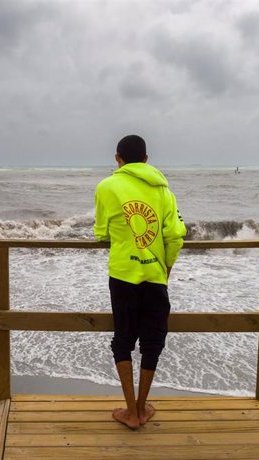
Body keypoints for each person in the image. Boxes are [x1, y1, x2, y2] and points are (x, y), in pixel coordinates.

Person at [94, 134, 186, 429]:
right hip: (155, 275)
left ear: (117, 158)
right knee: (153, 341)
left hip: (122, 274)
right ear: (146, 159)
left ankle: (131, 409)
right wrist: (165, 270)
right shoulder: (164, 191)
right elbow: (174, 236)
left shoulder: (107, 186)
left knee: (122, 340)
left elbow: (101, 233)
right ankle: (142, 407)